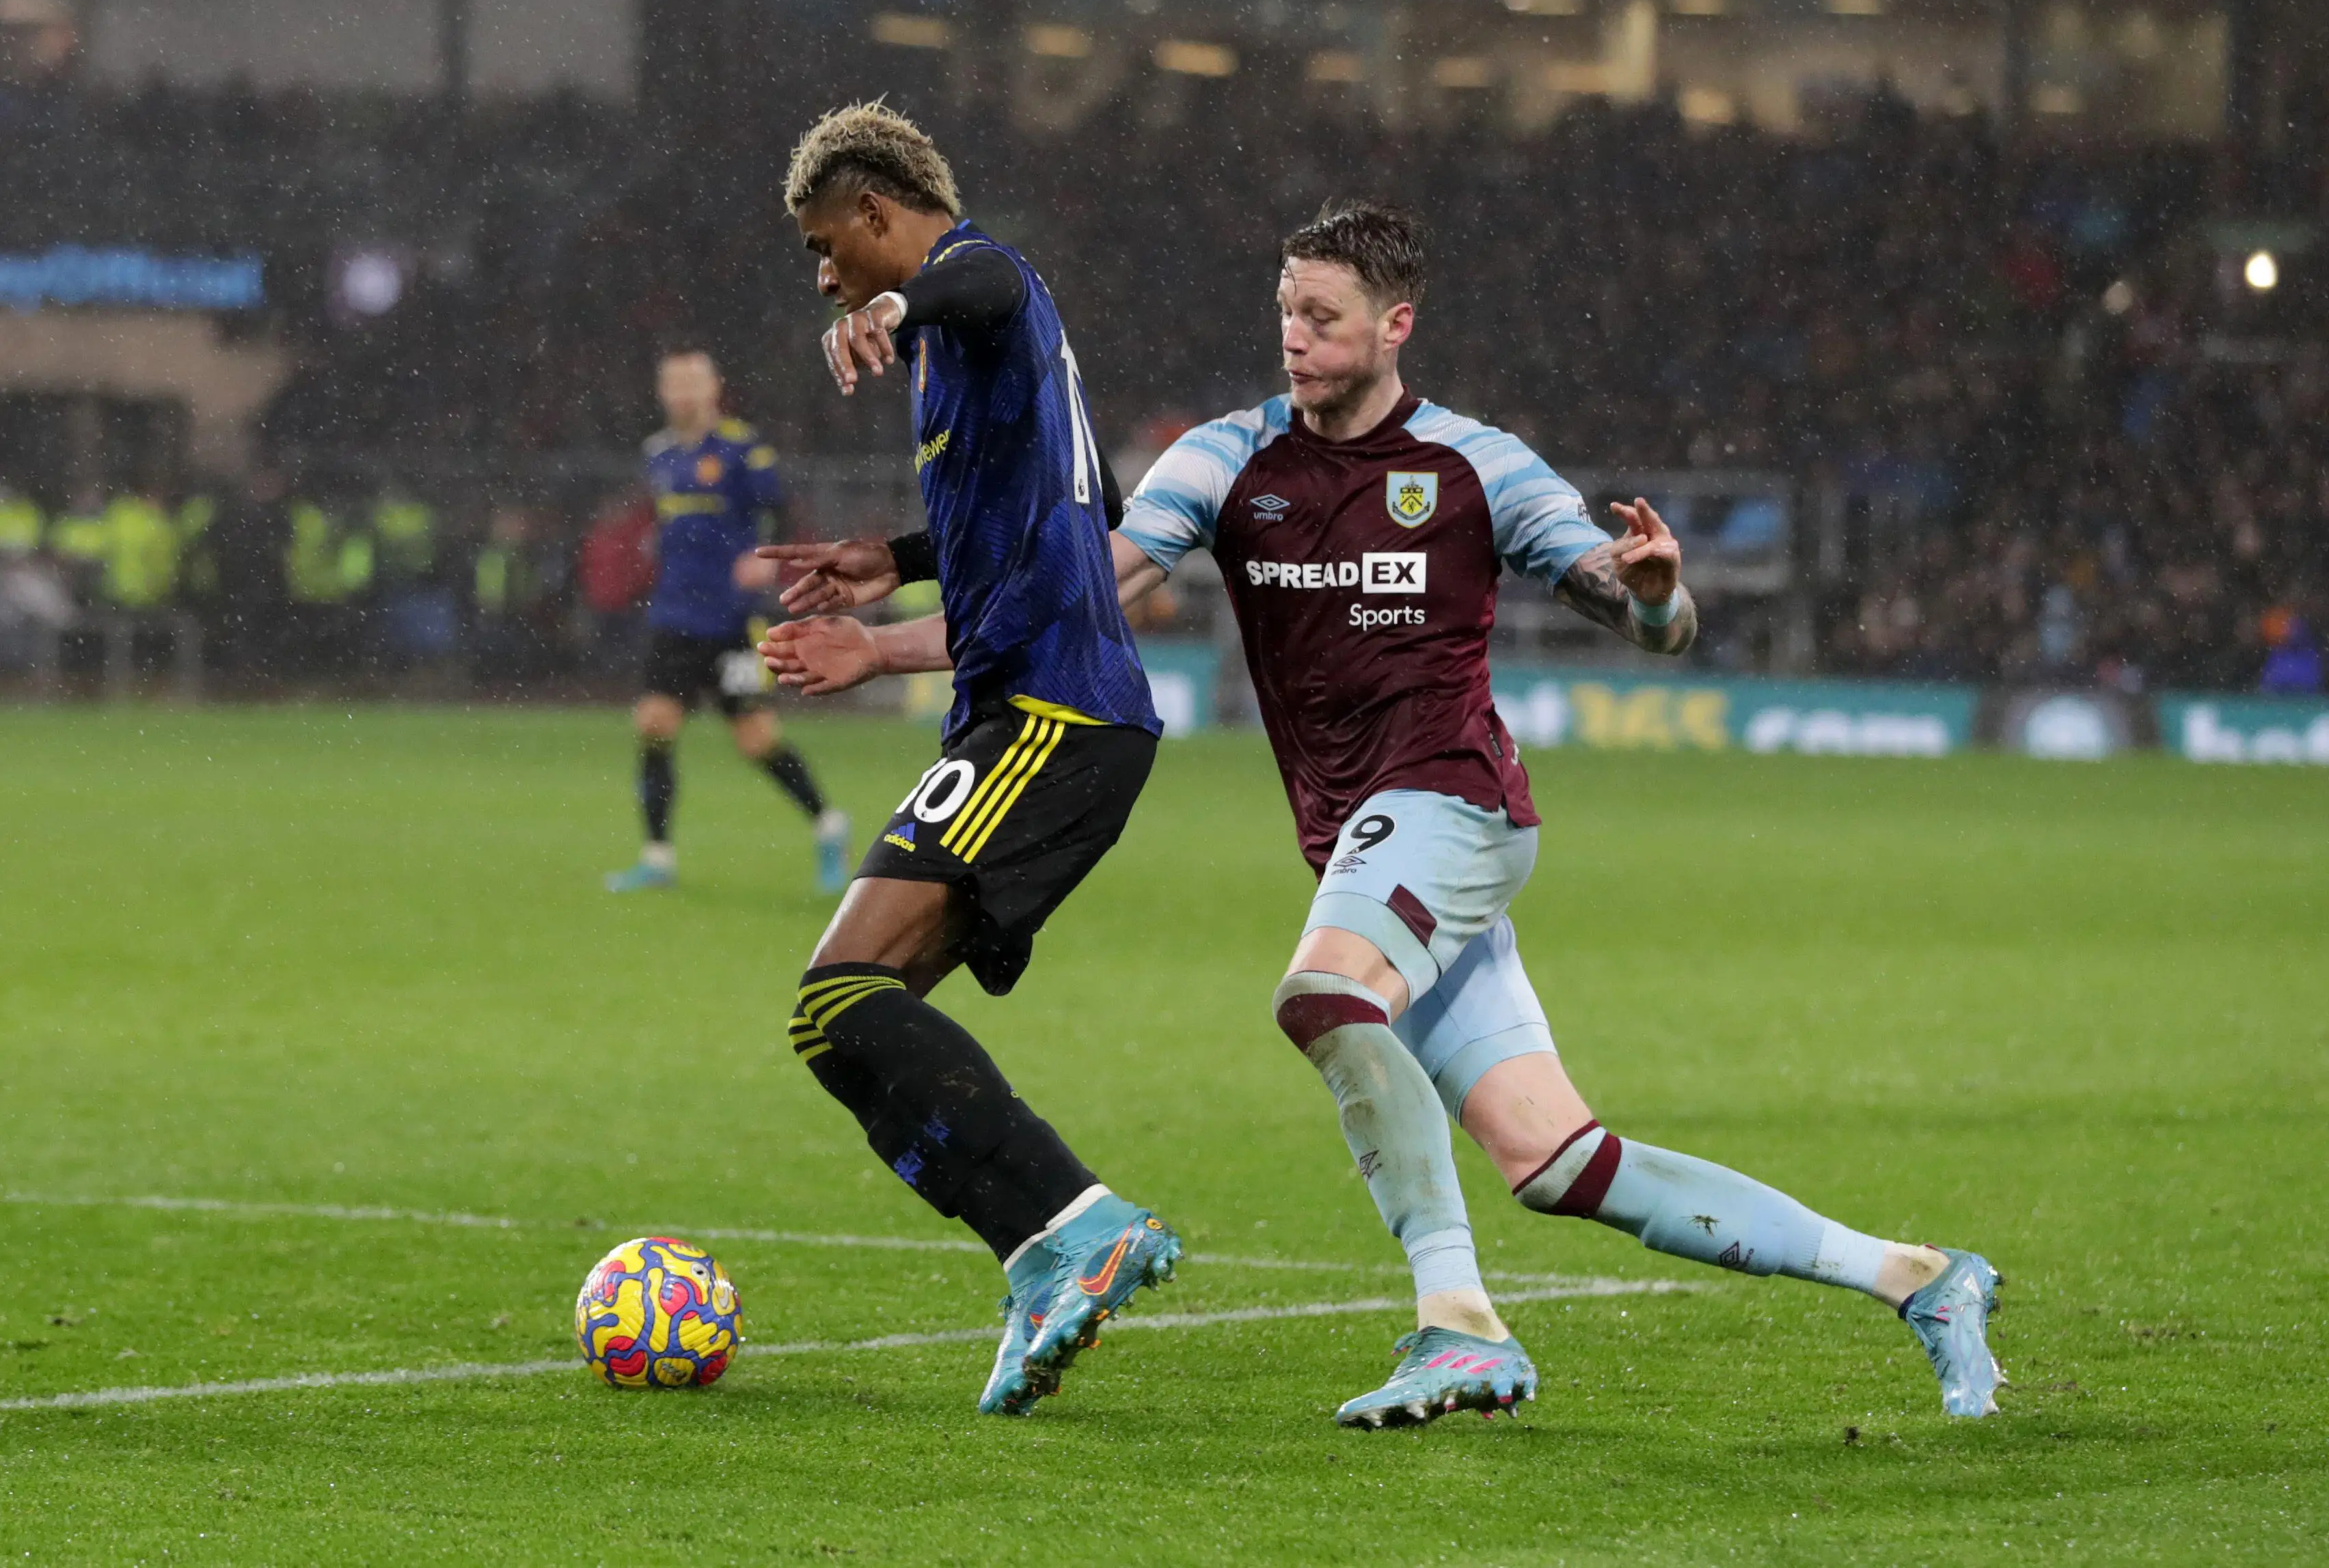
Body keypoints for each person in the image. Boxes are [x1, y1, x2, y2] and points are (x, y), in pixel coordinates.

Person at [1106, 203, 2004, 1426]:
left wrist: (1653, 595)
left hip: (1453, 799)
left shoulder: (1479, 466)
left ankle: (1456, 1323)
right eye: (1285, 314)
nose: (1294, 339)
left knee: (1321, 997)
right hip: (1364, 840)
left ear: (1393, 325)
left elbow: (1653, 623)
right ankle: (1916, 1276)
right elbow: (1089, 585)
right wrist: (889, 632)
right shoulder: (1226, 460)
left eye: (1321, 318)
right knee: (1560, 1161)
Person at [752, 102, 1180, 1416]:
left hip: (1053, 716)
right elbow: (1076, 504)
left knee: (840, 990)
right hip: (1030, 715)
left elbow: (984, 274)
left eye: (832, 249)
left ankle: (1074, 1218)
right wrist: (895, 567)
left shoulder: (983, 289)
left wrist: (904, 307)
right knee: (841, 1023)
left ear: (879, 215)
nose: (826, 278)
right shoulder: (975, 354)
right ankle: (1044, 1252)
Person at [604, 343, 851, 895]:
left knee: (756, 739)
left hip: (734, 620)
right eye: (674, 383)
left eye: (694, 381)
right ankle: (658, 857)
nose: (684, 392)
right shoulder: (658, 454)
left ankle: (829, 826)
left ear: (713, 388)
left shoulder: (743, 450)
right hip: (674, 614)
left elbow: (784, 512)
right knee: (654, 724)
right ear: (662, 391)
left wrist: (764, 560)